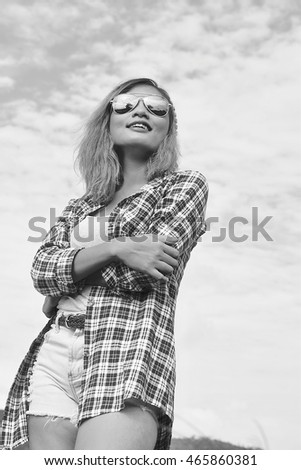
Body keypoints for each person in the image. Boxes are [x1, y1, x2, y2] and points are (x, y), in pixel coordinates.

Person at [1, 78, 208, 450]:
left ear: (168, 127)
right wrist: (118, 247)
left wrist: (71, 274)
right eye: (126, 102)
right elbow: (41, 270)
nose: (141, 110)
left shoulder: (183, 186)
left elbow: (144, 275)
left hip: (128, 350)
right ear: (108, 120)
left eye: (156, 106)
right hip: (54, 352)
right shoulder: (79, 206)